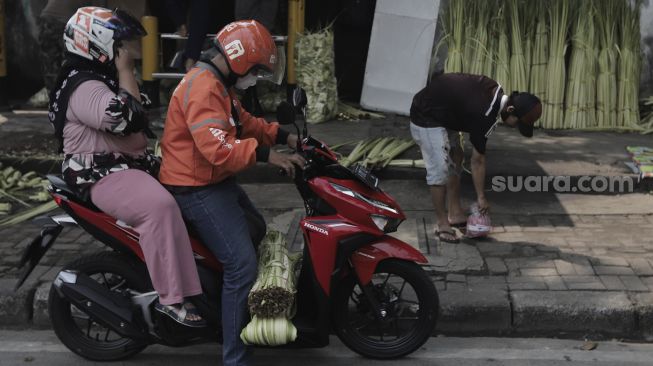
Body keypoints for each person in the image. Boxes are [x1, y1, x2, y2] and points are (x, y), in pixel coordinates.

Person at [158, 20, 305, 366]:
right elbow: (218, 149)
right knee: (242, 266)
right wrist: (269, 156)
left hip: (214, 180)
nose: (256, 77)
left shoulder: (219, 86)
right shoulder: (203, 88)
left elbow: (244, 123)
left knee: (257, 230)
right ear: (240, 62)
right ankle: (235, 358)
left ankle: (219, 297)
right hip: (195, 188)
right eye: (256, 71)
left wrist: (284, 135)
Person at [49, 7, 205, 327]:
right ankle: (172, 300)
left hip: (131, 168)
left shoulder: (102, 78)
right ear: (102, 44)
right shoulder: (82, 85)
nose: (133, 50)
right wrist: (124, 71)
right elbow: (123, 120)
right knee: (158, 207)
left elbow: (139, 112)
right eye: (124, 43)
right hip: (103, 174)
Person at [409, 72, 542, 243]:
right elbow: (478, 161)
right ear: (510, 109)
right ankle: (442, 223)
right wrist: (481, 198)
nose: (515, 126)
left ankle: (455, 212)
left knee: (456, 158)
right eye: (517, 122)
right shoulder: (485, 113)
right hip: (425, 115)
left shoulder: (495, 90)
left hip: (443, 112)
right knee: (439, 169)